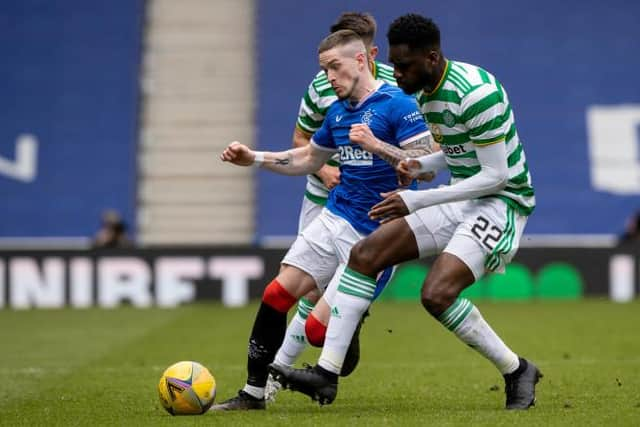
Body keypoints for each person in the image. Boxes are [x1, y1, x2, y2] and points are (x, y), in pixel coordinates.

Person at [269, 13, 542, 411]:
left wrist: (417, 198)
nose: (395, 73)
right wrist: (417, 167)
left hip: (502, 204)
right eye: (393, 64)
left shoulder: (475, 93)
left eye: (404, 66)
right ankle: (326, 376)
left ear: (431, 58)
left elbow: (496, 177)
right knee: (365, 256)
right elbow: (454, 158)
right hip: (459, 196)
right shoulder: (425, 96)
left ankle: (517, 369)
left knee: (436, 294)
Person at [211, 29, 433, 410]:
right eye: (324, 69)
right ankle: (252, 393)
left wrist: (377, 146)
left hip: (375, 239)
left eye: (334, 67)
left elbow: (427, 167)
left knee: (317, 331)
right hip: (335, 217)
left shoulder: (398, 105)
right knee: (276, 294)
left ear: (361, 61)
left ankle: (346, 328)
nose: (329, 77)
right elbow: (308, 159)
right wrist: (255, 159)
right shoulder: (337, 112)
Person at [269, 12, 400, 399]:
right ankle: (271, 382)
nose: (332, 72)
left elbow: (418, 147)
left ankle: (339, 329)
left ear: (367, 52)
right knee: (302, 291)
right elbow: (301, 137)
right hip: (323, 198)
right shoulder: (319, 86)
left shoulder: (395, 87)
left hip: (368, 205)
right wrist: (325, 171)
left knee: (321, 307)